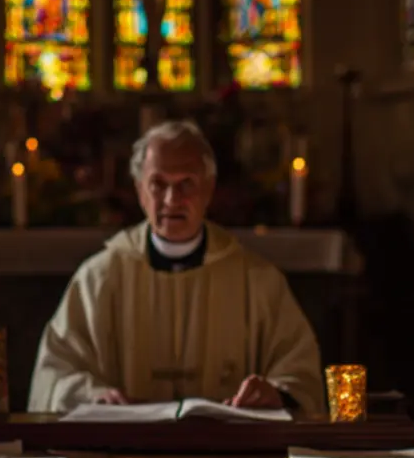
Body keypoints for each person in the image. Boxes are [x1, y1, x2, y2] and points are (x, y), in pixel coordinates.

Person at [28, 120, 325, 414]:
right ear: (139, 189)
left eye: (186, 184)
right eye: (158, 184)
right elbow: (55, 374)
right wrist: (93, 394)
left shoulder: (257, 280)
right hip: (123, 452)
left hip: (229, 450)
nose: (172, 199)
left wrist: (275, 392)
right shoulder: (98, 277)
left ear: (208, 189)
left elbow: (299, 372)